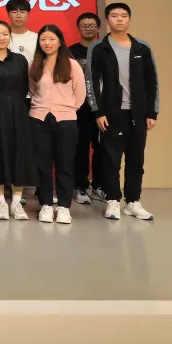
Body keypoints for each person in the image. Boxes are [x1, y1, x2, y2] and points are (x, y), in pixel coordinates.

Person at [86, 2, 159, 221]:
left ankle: (133, 201)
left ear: (129, 19)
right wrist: (97, 111)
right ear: (107, 20)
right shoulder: (99, 47)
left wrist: (152, 112)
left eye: (124, 15)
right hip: (111, 113)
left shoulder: (142, 48)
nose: (119, 19)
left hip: (138, 113)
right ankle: (113, 200)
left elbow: (152, 81)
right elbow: (91, 81)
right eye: (114, 15)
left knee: (136, 159)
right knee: (111, 160)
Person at [0, 21, 36, 221]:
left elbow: (25, 87)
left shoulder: (20, 60)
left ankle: (16, 204)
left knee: (19, 155)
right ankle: (1, 203)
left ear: (10, 36)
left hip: (19, 112)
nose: (1, 38)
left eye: (5, 34)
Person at [29, 24, 85, 225]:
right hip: (39, 118)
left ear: (60, 41)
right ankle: (45, 204)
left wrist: (67, 110)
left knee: (65, 164)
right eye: (43, 39)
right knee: (42, 164)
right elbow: (32, 91)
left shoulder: (72, 65)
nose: (47, 43)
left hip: (66, 120)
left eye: (52, 39)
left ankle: (63, 207)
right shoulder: (35, 64)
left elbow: (80, 94)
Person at [69, 12, 104, 205]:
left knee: (102, 148)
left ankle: (99, 186)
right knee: (80, 148)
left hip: (103, 108)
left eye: (92, 25)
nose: (88, 28)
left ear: (98, 28)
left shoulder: (105, 49)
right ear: (79, 28)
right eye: (84, 25)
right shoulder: (71, 51)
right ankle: (80, 186)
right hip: (80, 109)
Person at [6, 0, 37, 64]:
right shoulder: (1, 37)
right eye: (14, 12)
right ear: (8, 14)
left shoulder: (36, 38)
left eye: (22, 12)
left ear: (28, 15)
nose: (19, 16)